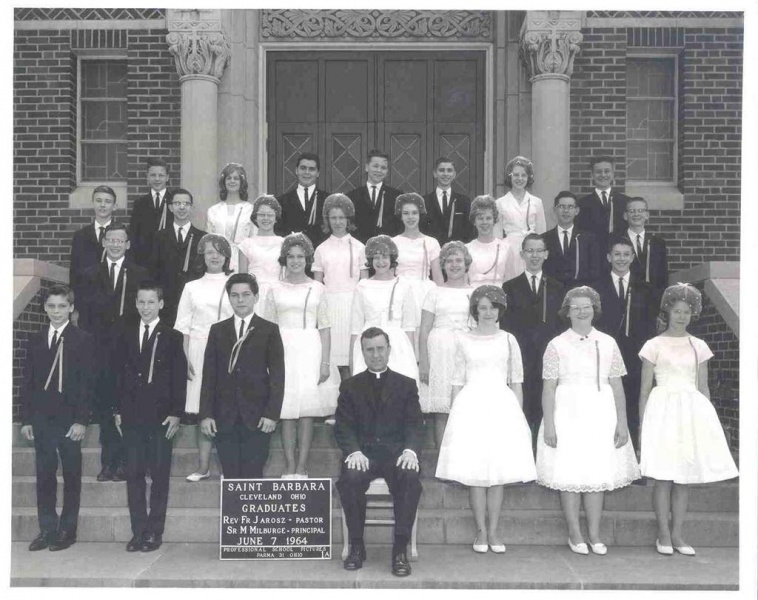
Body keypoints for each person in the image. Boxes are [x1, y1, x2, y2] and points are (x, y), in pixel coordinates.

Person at [536, 286, 640, 556]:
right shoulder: (556, 344)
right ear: (567, 312)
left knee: (596, 472)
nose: (582, 311)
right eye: (576, 307)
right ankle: (575, 533)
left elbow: (617, 386)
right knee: (569, 473)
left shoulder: (608, 342)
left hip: (600, 412)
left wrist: (622, 422)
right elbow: (548, 388)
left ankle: (594, 533)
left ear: (595, 310)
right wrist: (549, 424)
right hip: (567, 411)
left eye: (587, 306)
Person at [638, 284, 738, 556]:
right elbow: (645, 389)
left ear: (693, 314)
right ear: (668, 312)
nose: (681, 316)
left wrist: (708, 422)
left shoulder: (699, 346)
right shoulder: (653, 345)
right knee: (663, 477)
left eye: (687, 312)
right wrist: (644, 424)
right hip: (662, 411)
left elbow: (703, 387)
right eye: (677, 311)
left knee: (682, 478)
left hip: (689, 412)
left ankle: (678, 533)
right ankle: (662, 534)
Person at [435, 285, 536, 554]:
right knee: (476, 472)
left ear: (499, 309)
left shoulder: (508, 339)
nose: (488, 312)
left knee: (497, 473)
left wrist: (519, 415)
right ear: (475, 311)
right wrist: (455, 414)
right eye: (482, 307)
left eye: (492, 307)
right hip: (471, 405)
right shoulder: (463, 339)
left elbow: (516, 380)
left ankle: (494, 530)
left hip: (501, 405)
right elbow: (457, 379)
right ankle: (480, 530)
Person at [334, 327, 423, 577]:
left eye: (380, 349)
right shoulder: (350, 386)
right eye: (369, 349)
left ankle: (399, 549)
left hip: (396, 454)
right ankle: (357, 546)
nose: (376, 355)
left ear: (389, 350)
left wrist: (410, 451)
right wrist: (353, 451)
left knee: (409, 478)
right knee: (350, 479)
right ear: (362, 352)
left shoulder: (406, 385)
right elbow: (343, 425)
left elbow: (415, 423)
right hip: (364, 455)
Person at [112, 282, 187, 553]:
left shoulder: (172, 337)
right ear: (135, 304)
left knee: (159, 476)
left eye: (151, 302)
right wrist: (117, 411)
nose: (146, 307)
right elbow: (117, 376)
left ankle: (155, 532)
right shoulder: (125, 335)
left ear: (161, 304)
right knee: (133, 475)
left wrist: (176, 413)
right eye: (141, 302)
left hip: (160, 419)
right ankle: (138, 531)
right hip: (131, 417)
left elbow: (179, 379)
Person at [21, 284, 95, 552]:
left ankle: (67, 529)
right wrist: (26, 419)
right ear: (44, 308)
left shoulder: (83, 339)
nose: (56, 311)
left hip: (69, 420)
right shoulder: (35, 339)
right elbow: (27, 382)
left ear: (71, 308)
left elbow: (87, 384)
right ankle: (47, 529)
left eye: (62, 306)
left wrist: (81, 420)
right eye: (51, 306)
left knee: (72, 475)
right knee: (44, 474)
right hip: (41, 419)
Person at [264, 233, 340, 478]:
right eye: (290, 256)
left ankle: (302, 465)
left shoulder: (318, 288)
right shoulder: (273, 288)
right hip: (282, 348)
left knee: (306, 409)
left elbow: (326, 328)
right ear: (284, 259)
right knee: (287, 409)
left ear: (307, 259)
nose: (295, 261)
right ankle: (289, 464)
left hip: (310, 347)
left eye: (300, 256)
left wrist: (325, 362)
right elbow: (268, 328)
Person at [78, 224, 149, 483]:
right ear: (104, 242)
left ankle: (128, 464)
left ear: (128, 244)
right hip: (101, 352)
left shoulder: (140, 274)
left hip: (130, 350)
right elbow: (84, 316)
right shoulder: (90, 274)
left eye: (121, 240)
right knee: (107, 409)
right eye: (111, 240)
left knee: (129, 407)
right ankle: (109, 463)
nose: (116, 244)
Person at [199, 273, 285, 478]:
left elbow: (277, 376)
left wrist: (272, 413)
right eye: (235, 295)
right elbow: (209, 375)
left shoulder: (269, 330)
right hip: (224, 415)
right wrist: (206, 414)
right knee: (230, 475)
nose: (240, 300)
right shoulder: (217, 330)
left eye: (246, 294)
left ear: (256, 297)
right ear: (229, 298)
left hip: (257, 417)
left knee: (253, 474)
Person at [174, 234, 234, 481]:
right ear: (202, 255)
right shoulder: (191, 287)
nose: (215, 256)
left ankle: (228, 468)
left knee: (228, 409)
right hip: (199, 349)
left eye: (219, 251)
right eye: (209, 251)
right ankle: (203, 466)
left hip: (229, 350)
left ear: (227, 256)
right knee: (204, 410)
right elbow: (183, 326)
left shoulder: (235, 283)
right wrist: (184, 357)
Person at [594, 237, 658, 452]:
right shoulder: (596, 286)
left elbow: (650, 325)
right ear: (609, 257)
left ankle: (633, 456)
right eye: (617, 254)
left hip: (635, 356)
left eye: (626, 254)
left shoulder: (646, 289)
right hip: (606, 355)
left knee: (632, 404)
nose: (621, 259)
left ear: (632, 257)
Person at [502, 234, 566, 443]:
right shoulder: (510, 287)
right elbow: (506, 326)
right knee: (523, 406)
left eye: (539, 251)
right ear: (522, 254)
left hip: (548, 358)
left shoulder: (557, 287)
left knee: (547, 407)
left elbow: (561, 325)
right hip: (522, 357)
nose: (535, 255)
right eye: (530, 250)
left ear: (546, 254)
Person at [418, 241, 474, 447]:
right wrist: (423, 362)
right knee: (442, 410)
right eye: (449, 261)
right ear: (442, 265)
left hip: (465, 351)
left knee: (464, 407)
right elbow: (424, 329)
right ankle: (443, 464)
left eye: (459, 260)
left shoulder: (475, 292)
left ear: (467, 263)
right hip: (439, 352)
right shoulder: (434, 292)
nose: (454, 265)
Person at [313, 193, 368, 380]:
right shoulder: (321, 249)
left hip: (352, 305)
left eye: (341, 218)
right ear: (327, 220)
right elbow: (317, 285)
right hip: (330, 305)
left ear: (348, 219)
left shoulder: (360, 247)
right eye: (333, 218)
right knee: (333, 356)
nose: (337, 222)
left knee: (352, 356)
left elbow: (365, 283)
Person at [350, 235, 418, 382]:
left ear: (392, 258)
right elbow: (355, 329)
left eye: (385, 257)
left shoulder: (403, 285)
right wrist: (353, 361)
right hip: (368, 341)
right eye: (376, 257)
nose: (381, 262)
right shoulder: (362, 286)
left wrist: (411, 357)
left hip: (397, 344)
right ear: (370, 260)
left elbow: (409, 328)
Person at [392, 192, 443, 352]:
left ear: (420, 214)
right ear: (400, 216)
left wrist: (443, 299)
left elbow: (438, 276)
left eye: (414, 213)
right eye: (406, 213)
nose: (410, 217)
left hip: (425, 291)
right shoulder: (394, 242)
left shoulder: (431, 242)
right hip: (401, 291)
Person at [149, 188, 207, 326]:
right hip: (166, 303)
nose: (182, 207)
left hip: (193, 300)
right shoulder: (159, 237)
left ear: (192, 208)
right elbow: (153, 270)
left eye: (186, 204)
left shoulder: (202, 237)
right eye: (177, 203)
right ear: (170, 207)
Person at [494, 156, 547, 277]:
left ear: (528, 178)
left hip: (531, 249)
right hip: (509, 250)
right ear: (510, 176)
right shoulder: (500, 203)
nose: (520, 178)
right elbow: (497, 235)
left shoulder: (536, 202)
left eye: (523, 175)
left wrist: (538, 252)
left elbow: (541, 232)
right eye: (516, 175)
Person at [542, 191, 602, 292]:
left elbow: (594, 271)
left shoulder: (588, 239)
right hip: (552, 294)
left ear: (577, 211)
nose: (566, 211)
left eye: (570, 207)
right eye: (561, 206)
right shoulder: (544, 239)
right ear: (555, 210)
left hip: (580, 293)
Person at [69, 185, 118, 306]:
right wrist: (75, 307)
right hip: (87, 303)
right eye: (98, 200)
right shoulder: (80, 236)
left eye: (107, 201)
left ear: (114, 206)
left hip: (115, 303)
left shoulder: (124, 235)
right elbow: (74, 274)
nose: (102, 205)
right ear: (92, 203)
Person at [238, 195, 285, 317]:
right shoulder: (246, 244)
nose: (266, 218)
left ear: (275, 218)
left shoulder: (283, 243)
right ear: (255, 217)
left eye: (270, 215)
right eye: (261, 214)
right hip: (254, 295)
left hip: (278, 294)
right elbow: (242, 278)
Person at [616, 197, 669, 306]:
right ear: (625, 216)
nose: (636, 214)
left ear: (647, 215)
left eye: (641, 211)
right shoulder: (616, 241)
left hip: (652, 301)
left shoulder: (658, 243)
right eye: (632, 211)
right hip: (625, 298)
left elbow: (663, 275)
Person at [206, 162, 255, 273]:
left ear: (242, 182)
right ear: (224, 182)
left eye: (236, 178)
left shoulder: (250, 209)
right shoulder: (213, 210)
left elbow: (254, 240)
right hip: (218, 259)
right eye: (229, 178)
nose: (232, 181)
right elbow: (209, 240)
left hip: (243, 260)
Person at [347, 149, 402, 242]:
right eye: (375, 166)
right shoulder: (352, 196)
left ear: (387, 171)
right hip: (360, 249)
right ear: (367, 167)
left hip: (386, 250)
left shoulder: (396, 196)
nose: (379, 170)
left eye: (383, 168)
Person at [576, 156, 629, 252]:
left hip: (619, 257)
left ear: (613, 174)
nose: (603, 175)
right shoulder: (581, 204)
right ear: (592, 175)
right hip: (592, 257)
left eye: (607, 171)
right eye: (598, 172)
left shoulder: (625, 202)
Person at [275, 153, 330, 247]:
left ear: (318, 173)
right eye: (303, 168)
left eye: (311, 169)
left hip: (320, 255)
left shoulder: (328, 200)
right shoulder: (281, 201)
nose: (307, 172)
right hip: (293, 256)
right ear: (296, 170)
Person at [128, 157, 173, 268]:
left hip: (169, 260)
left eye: (161, 175)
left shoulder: (175, 201)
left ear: (167, 177)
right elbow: (134, 235)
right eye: (153, 175)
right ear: (147, 177)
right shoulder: (139, 204)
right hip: (144, 262)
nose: (157, 179)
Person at [465, 195, 518, 287]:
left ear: (494, 220)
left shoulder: (506, 248)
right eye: (480, 218)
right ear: (474, 221)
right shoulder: (466, 249)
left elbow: (511, 283)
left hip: (499, 298)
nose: (484, 222)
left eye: (488, 218)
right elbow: (464, 283)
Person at [421, 157, 474, 245]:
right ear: (435, 173)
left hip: (456, 253)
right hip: (432, 252)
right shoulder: (424, 201)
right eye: (441, 170)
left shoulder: (464, 201)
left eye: (449, 170)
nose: (446, 174)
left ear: (454, 174)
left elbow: (469, 230)